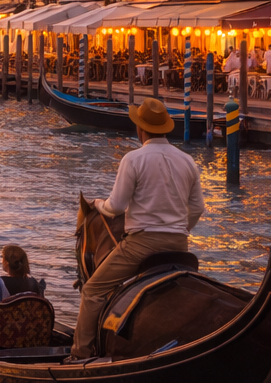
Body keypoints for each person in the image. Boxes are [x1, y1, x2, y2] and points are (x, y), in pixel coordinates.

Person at [71, 98, 204, 361]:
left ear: (140, 129)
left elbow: (117, 207)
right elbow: (198, 207)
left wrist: (98, 204)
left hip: (142, 246)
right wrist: (180, 228)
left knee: (93, 291)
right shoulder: (187, 160)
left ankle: (81, 354)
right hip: (180, 245)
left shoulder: (133, 159)